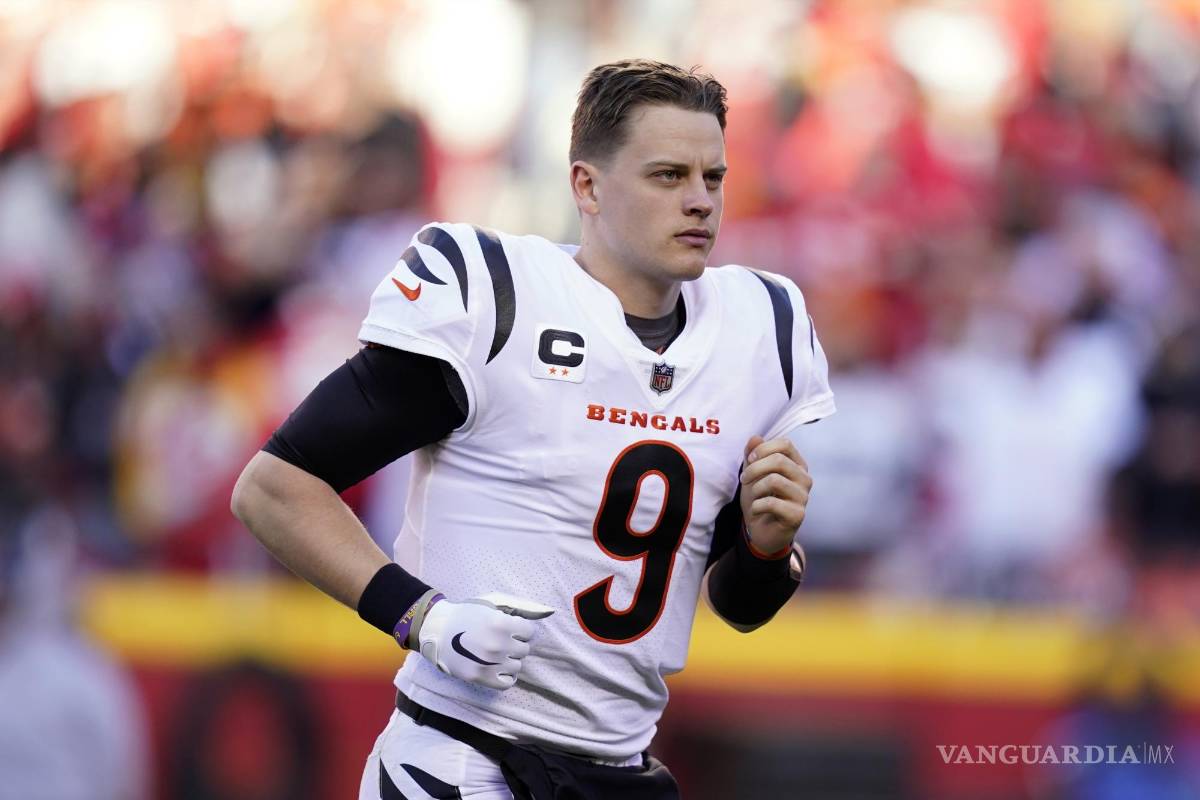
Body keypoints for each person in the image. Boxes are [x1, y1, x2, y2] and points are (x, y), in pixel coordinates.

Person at [232, 59, 834, 800]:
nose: (700, 202)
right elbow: (273, 487)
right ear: (586, 186)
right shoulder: (496, 303)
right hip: (460, 755)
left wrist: (771, 552)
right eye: (668, 176)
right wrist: (421, 616)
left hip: (622, 766)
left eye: (713, 178)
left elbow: (739, 605)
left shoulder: (759, 331)